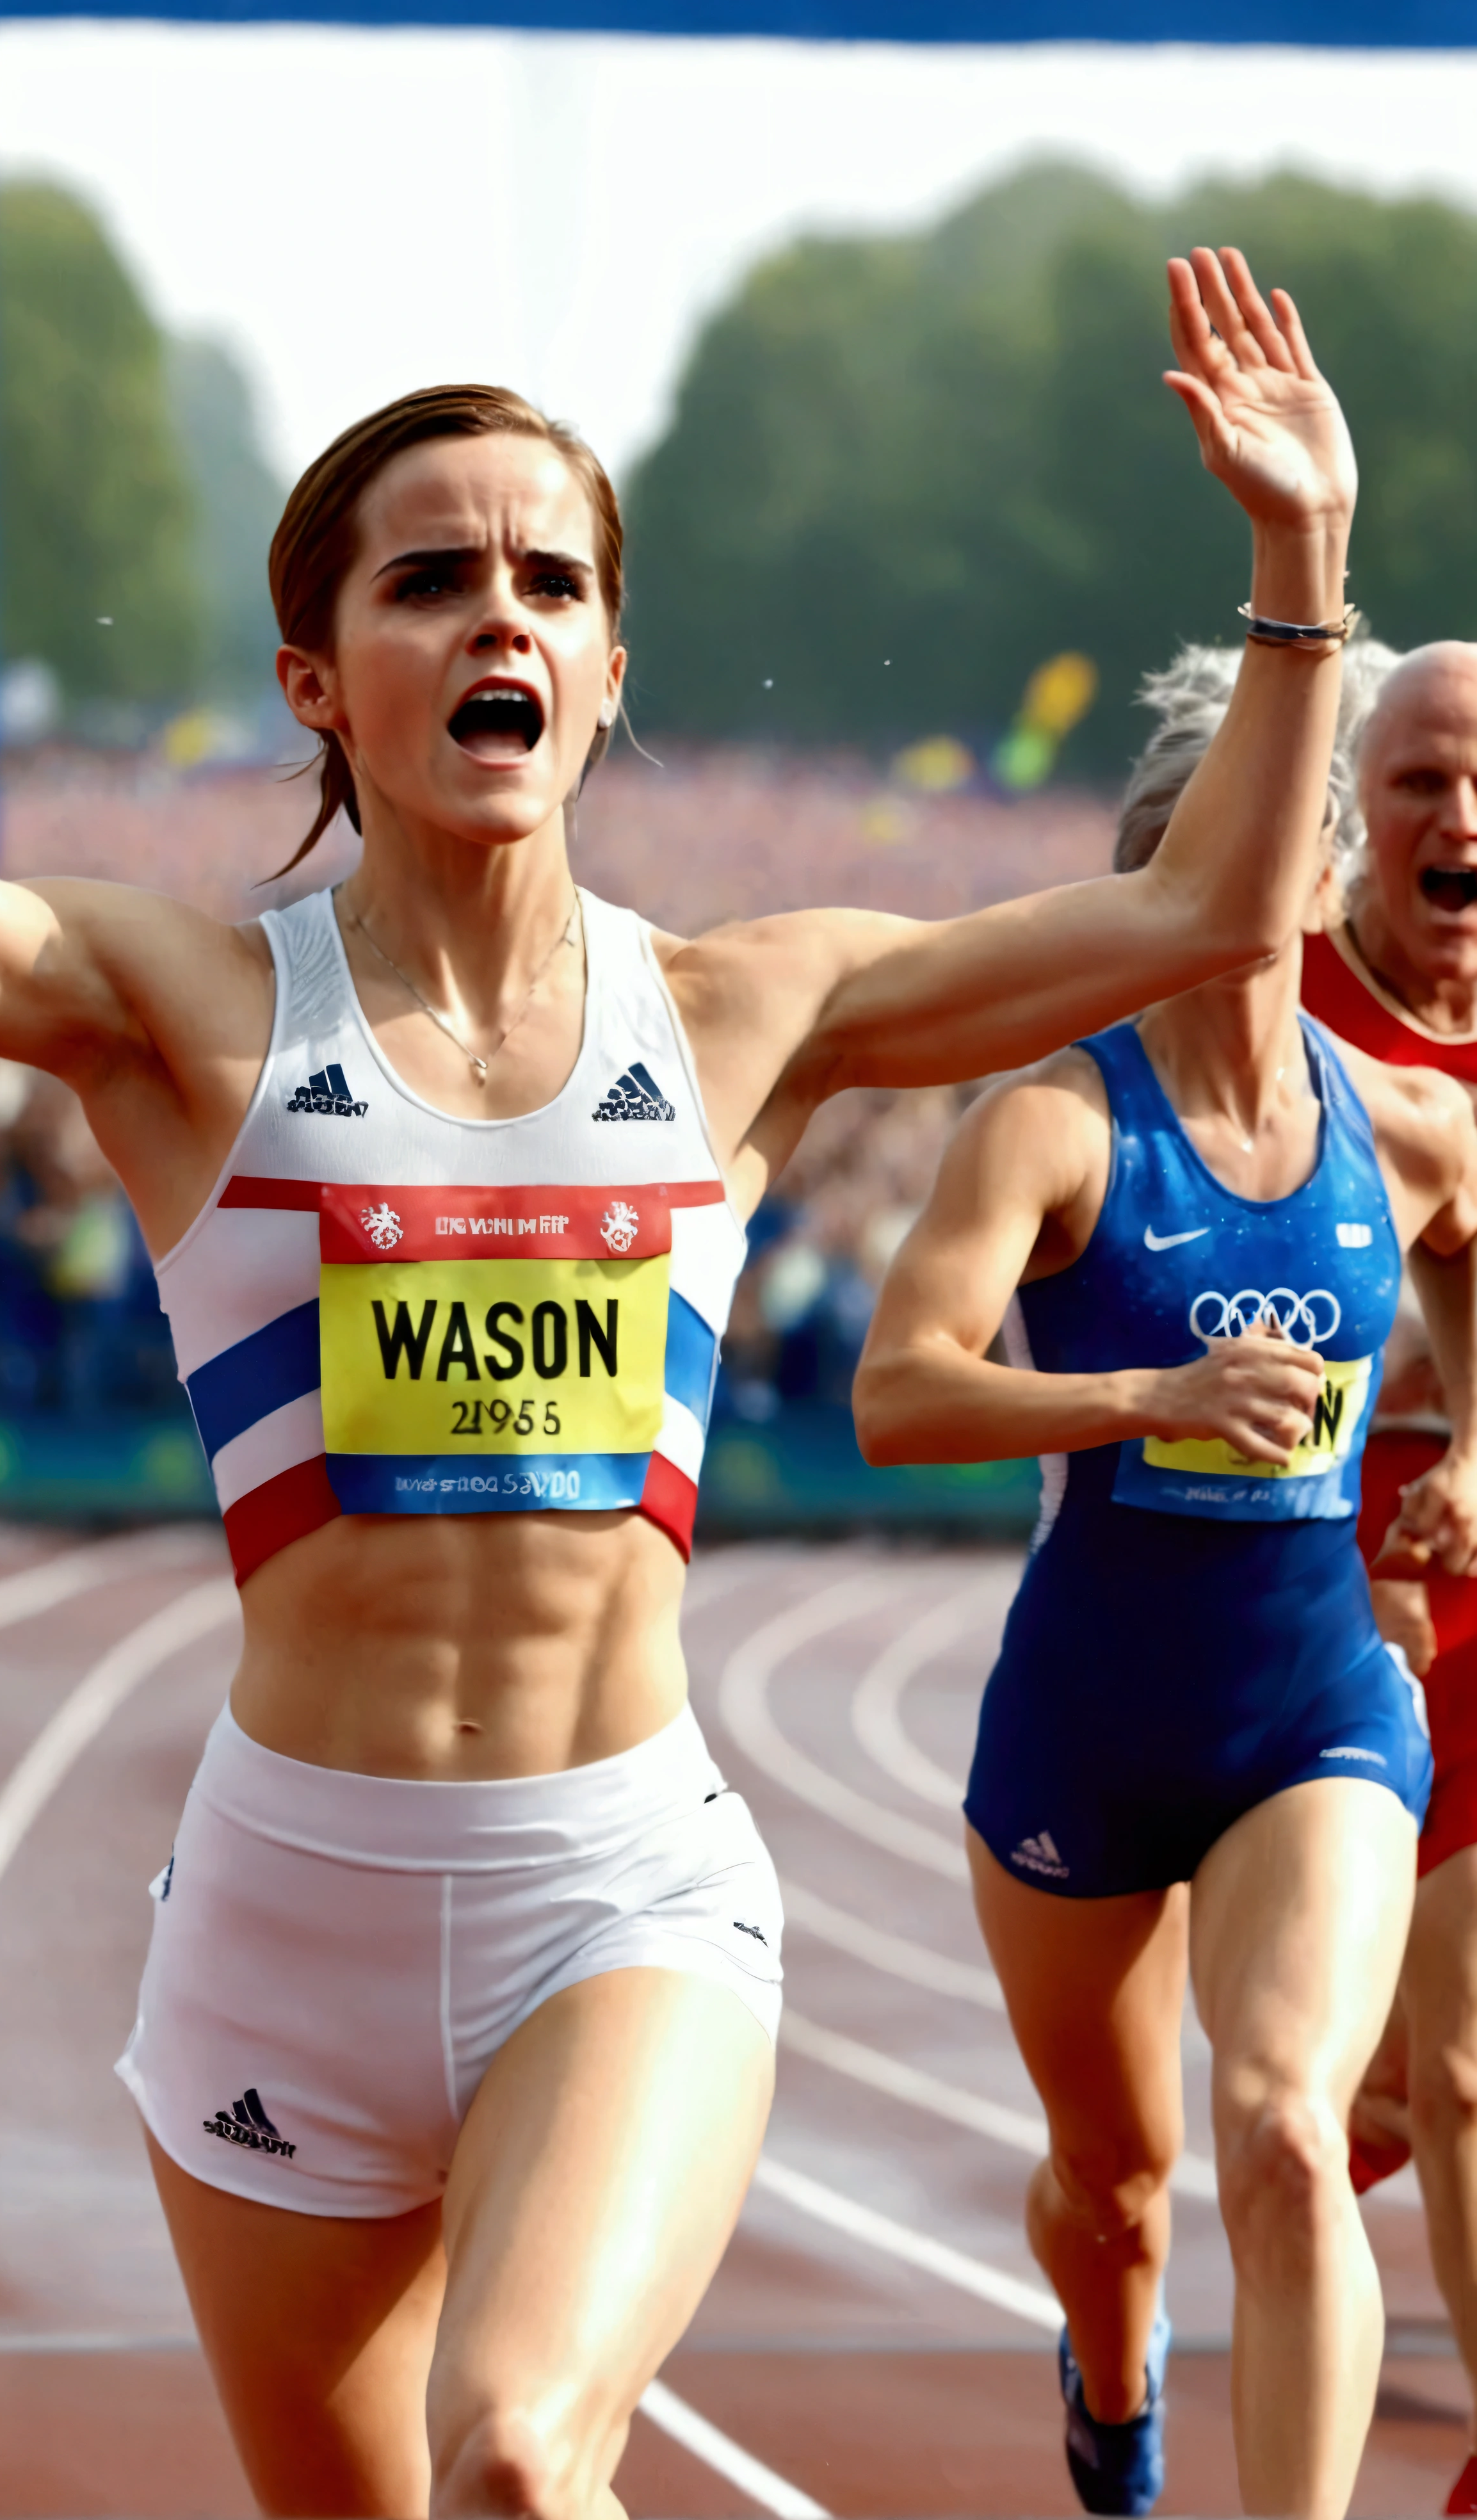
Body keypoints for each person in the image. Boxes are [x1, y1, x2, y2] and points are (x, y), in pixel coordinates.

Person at [0, 206, 1358, 2520]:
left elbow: (1214, 911)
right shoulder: (187, 1005)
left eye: (549, 581)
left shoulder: (749, 1010)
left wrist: (1301, 557)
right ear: (321, 677)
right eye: (432, 581)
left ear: (611, 671)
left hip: (615, 1885)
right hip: (280, 1917)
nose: (499, 614)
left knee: (523, 2456)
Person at [851, 636, 1477, 2516]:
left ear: (1325, 871)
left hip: (1319, 1708)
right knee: (1113, 2188)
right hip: (1091, 1731)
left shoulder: (1409, 1125)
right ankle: (1109, 2381)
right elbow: (894, 1391)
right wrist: (1144, 1392)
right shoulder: (1052, 1124)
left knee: (1286, 2129)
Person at [1293, 641, 1477, 2516]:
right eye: (1420, 777)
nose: (1463, 817)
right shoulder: (1287, 1013)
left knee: (1467, 2056)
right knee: (1370, 2094)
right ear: (1359, 807)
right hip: (1324, 1580)